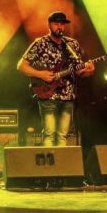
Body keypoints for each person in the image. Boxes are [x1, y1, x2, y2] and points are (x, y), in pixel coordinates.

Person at [17, 11, 95, 146]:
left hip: (68, 95)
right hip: (47, 94)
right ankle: (48, 159)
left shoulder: (72, 44)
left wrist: (89, 71)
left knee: (62, 137)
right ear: (49, 25)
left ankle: (61, 160)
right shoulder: (40, 43)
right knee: (49, 135)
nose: (59, 27)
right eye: (56, 24)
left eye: (62, 24)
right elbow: (21, 66)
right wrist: (41, 74)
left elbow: (79, 72)